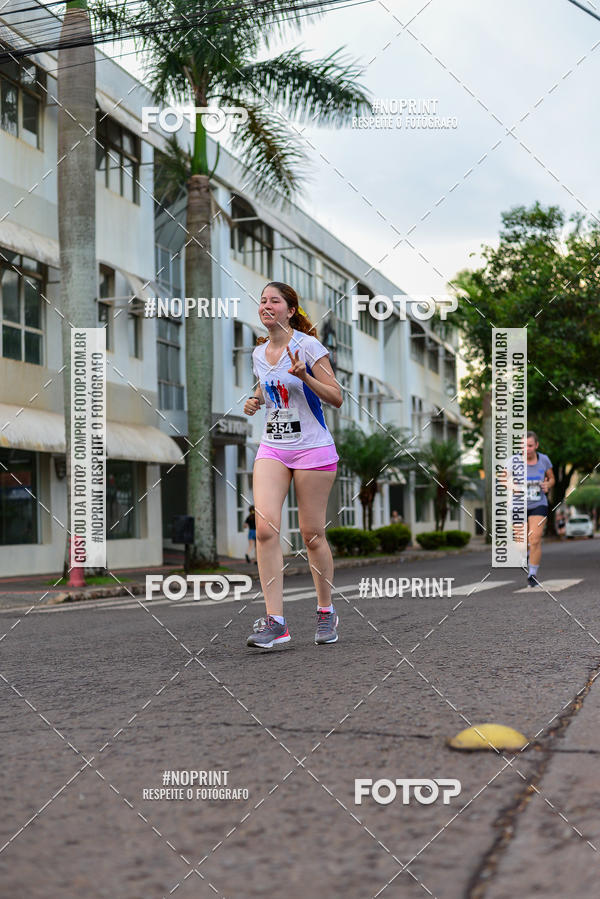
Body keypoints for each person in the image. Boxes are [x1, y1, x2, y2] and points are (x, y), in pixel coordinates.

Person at [243, 281, 343, 649]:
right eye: (262, 300)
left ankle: (325, 610)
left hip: (313, 449)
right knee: (265, 528)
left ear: (290, 310)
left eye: (274, 301)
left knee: (312, 534)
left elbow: (336, 398)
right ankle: (276, 622)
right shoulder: (258, 353)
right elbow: (267, 388)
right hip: (274, 447)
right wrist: (255, 401)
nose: (266, 305)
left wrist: (304, 376)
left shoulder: (308, 346)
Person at [525, 430, 555, 586]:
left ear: (536, 445)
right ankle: (527, 553)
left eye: (530, 445)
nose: (527, 449)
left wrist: (547, 484)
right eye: (524, 446)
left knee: (535, 539)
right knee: (521, 543)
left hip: (539, 504)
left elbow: (552, 478)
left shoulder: (544, 460)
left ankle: (532, 574)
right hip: (518, 505)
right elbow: (503, 479)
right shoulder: (514, 461)